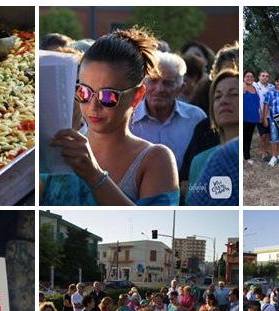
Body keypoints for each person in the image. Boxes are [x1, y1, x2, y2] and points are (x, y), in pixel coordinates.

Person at [50, 28, 180, 205]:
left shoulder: (155, 159)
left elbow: (150, 227)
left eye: (108, 96)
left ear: (137, 96)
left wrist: (94, 174)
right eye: (84, 92)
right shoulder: (61, 150)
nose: (93, 106)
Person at [130, 51, 207, 179]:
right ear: (143, 83)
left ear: (181, 88)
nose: (159, 89)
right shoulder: (127, 118)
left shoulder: (196, 119)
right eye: (153, 81)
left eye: (168, 83)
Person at [261, 74, 279, 166]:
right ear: (275, 82)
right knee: (274, 138)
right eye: (277, 81)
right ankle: (273, 157)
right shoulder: (270, 92)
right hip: (274, 119)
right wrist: (265, 118)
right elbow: (266, 105)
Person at [243, 70, 262, 165]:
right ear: (243, 78)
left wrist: (261, 114)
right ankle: (243, 157)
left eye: (251, 76)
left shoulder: (254, 88)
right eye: (247, 76)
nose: (249, 78)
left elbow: (257, 103)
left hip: (253, 118)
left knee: (248, 138)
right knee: (242, 138)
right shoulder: (243, 87)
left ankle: (246, 156)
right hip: (244, 118)